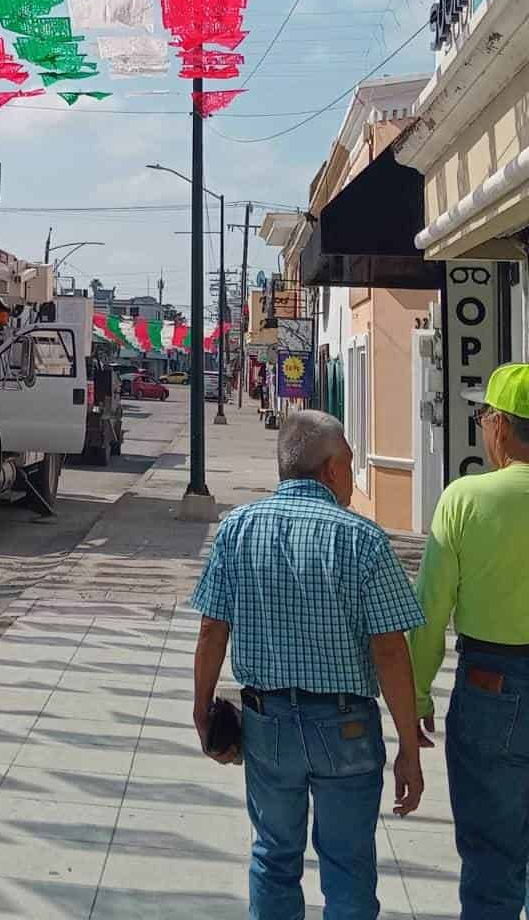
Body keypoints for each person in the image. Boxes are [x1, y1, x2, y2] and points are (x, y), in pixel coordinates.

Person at [191, 409, 426, 919]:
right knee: (347, 865)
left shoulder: (237, 529)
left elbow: (212, 629)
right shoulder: (363, 540)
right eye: (347, 462)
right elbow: (390, 650)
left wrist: (202, 708)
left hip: (267, 722)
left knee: (274, 856)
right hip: (345, 726)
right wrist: (409, 745)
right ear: (329, 470)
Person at [408, 363, 529, 920]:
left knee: (491, 861)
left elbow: (430, 612)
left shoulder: (464, 500)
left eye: (483, 414)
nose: (481, 425)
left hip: (490, 689)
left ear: (501, 426)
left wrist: (415, 698)